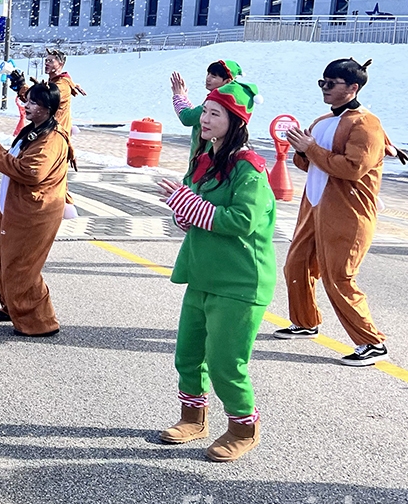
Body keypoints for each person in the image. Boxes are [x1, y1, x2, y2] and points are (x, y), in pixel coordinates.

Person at [156, 80, 274, 461]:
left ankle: (244, 427)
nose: (203, 120)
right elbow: (193, 212)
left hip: (239, 280)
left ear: (235, 121)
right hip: (203, 272)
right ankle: (194, 418)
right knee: (188, 354)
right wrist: (182, 210)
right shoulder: (205, 160)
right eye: (204, 111)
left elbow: (243, 220)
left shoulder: (249, 168)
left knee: (226, 362)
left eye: (214, 113)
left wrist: (189, 205)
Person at [277, 59, 399, 367]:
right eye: (323, 82)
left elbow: (353, 168)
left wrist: (311, 149)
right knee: (296, 265)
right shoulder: (322, 121)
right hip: (315, 205)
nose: (325, 88)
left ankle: (371, 342)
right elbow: (307, 163)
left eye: (332, 83)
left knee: (339, 277)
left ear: (353, 88)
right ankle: (305, 322)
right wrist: (302, 149)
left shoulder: (366, 125)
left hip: (349, 212)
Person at [0, 81, 73, 338]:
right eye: (27, 100)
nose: (26, 105)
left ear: (48, 108)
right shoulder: (36, 130)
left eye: (33, 102)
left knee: (22, 266)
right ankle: (12, 306)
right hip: (15, 207)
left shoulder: (52, 139)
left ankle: (40, 321)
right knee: (4, 258)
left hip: (34, 212)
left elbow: (32, 172)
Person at [9, 47, 85, 216]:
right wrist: (22, 88)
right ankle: (58, 206)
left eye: (51, 60)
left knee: (50, 174)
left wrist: (22, 87)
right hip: (50, 132)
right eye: (46, 59)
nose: (47, 62)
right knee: (51, 174)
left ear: (61, 63)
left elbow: (45, 99)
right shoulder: (56, 82)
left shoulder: (62, 85)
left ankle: (62, 207)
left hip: (55, 135)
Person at [170, 60, 242, 160]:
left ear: (227, 81)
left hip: (207, 157)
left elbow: (188, 118)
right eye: (208, 74)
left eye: (214, 76)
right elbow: (197, 115)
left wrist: (179, 97)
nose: (208, 78)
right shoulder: (228, 98)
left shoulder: (219, 101)